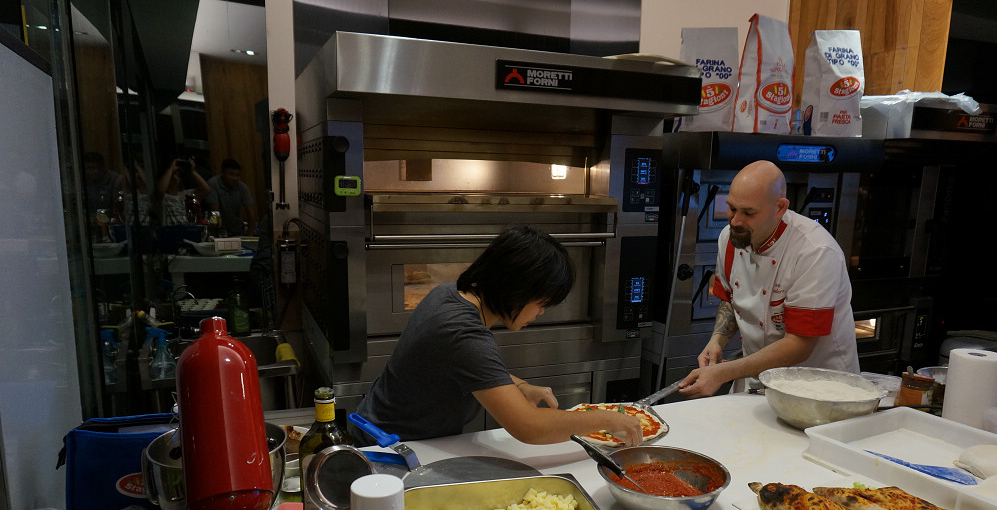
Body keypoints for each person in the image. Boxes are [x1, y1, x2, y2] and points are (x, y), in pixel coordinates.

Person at [350, 225, 644, 446]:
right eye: (541, 303)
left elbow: (468, 368)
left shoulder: (449, 293)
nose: (541, 313)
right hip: (388, 446)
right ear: (517, 288)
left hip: (381, 427)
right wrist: (608, 419)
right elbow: (529, 428)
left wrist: (520, 386)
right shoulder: (464, 333)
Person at [678, 160, 859, 399]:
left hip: (819, 388)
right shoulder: (730, 239)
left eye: (748, 213)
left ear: (780, 207)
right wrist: (717, 342)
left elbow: (799, 345)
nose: (735, 221)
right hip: (757, 382)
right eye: (732, 208)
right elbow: (731, 299)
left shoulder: (814, 251)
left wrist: (723, 373)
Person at [205, 158, 256, 236]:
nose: (235, 178)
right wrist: (215, 233)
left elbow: (251, 214)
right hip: (216, 229)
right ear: (222, 173)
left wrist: (250, 234)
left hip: (236, 229)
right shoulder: (213, 184)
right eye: (231, 174)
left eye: (237, 175)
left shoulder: (242, 187)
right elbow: (215, 212)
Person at [155, 157, 209, 225]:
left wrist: (192, 171)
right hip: (169, 230)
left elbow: (205, 189)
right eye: (172, 175)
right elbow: (160, 190)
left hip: (186, 229)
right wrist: (171, 168)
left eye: (176, 175)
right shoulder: (162, 198)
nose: (175, 177)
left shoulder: (184, 195)